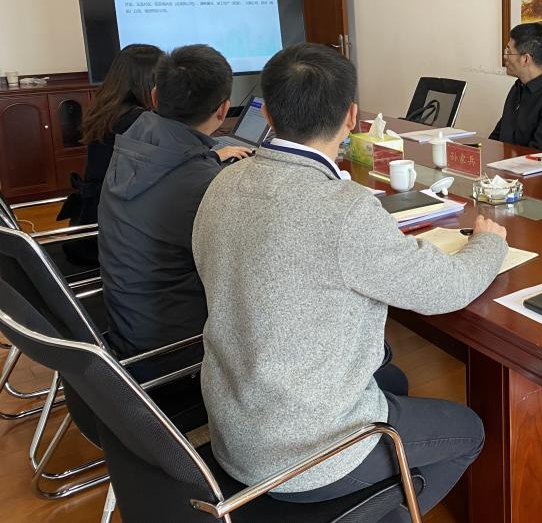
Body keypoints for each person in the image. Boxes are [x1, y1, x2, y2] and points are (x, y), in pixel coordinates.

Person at [192, 43, 508, 518]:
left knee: (393, 378)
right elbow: (446, 290)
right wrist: (487, 244)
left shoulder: (222, 182)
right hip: (307, 454)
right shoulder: (344, 209)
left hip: (235, 426)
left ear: (268, 114)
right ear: (352, 117)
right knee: (468, 431)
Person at [98, 44, 251, 371]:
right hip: (176, 350)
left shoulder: (132, 142)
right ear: (223, 110)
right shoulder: (204, 185)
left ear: (154, 97)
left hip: (126, 326)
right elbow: (244, 273)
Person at [58, 44, 164, 225]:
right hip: (112, 219)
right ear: (149, 81)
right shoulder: (137, 120)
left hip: (93, 210)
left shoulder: (108, 109)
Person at [491, 22, 542, 154]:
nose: (505, 56)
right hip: (506, 163)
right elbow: (498, 136)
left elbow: (538, 156)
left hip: (534, 166)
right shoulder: (518, 87)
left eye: (509, 52)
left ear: (525, 59)